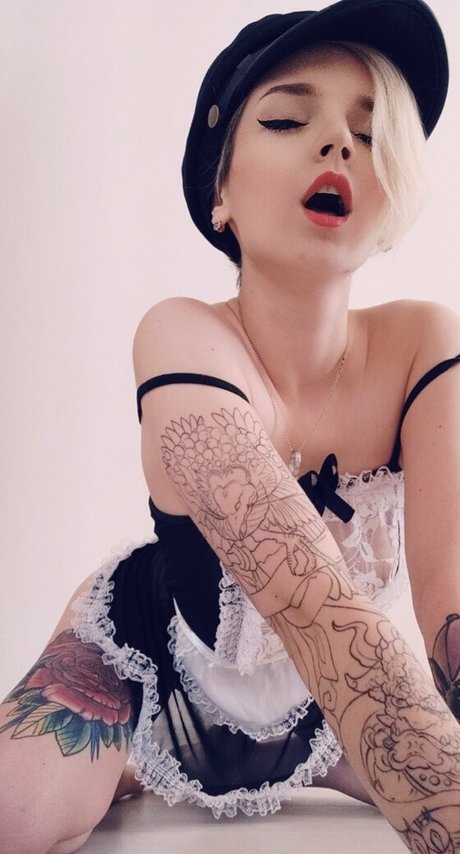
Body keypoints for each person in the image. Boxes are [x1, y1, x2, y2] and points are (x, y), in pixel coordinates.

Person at [1, 0, 460, 852]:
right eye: (288, 120)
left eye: (371, 133)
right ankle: (133, 765)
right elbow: (315, 608)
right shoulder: (181, 334)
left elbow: (451, 596)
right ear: (220, 193)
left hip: (321, 707)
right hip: (152, 670)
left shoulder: (428, 345)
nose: (339, 144)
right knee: (14, 815)